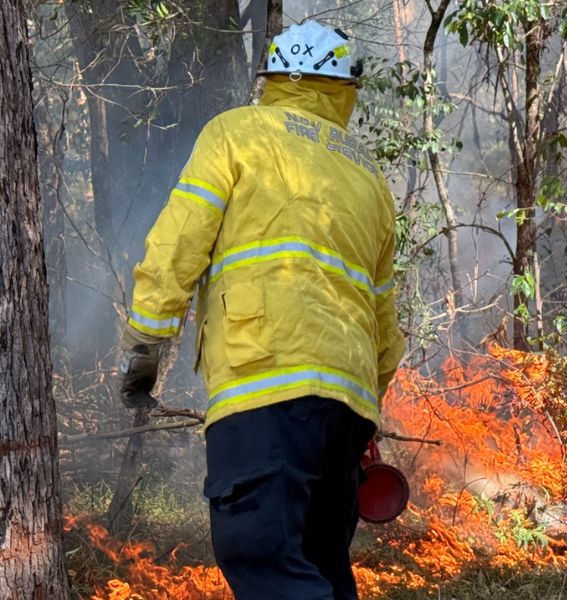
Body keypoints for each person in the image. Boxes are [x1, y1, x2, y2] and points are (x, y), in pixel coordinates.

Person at [117, 21, 404, 600]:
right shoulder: (369, 175)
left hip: (263, 387)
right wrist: (362, 409)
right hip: (346, 410)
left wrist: (145, 350)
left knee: (262, 553)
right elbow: (385, 328)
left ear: (272, 77)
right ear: (346, 87)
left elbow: (177, 245)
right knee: (320, 564)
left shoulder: (238, 133)